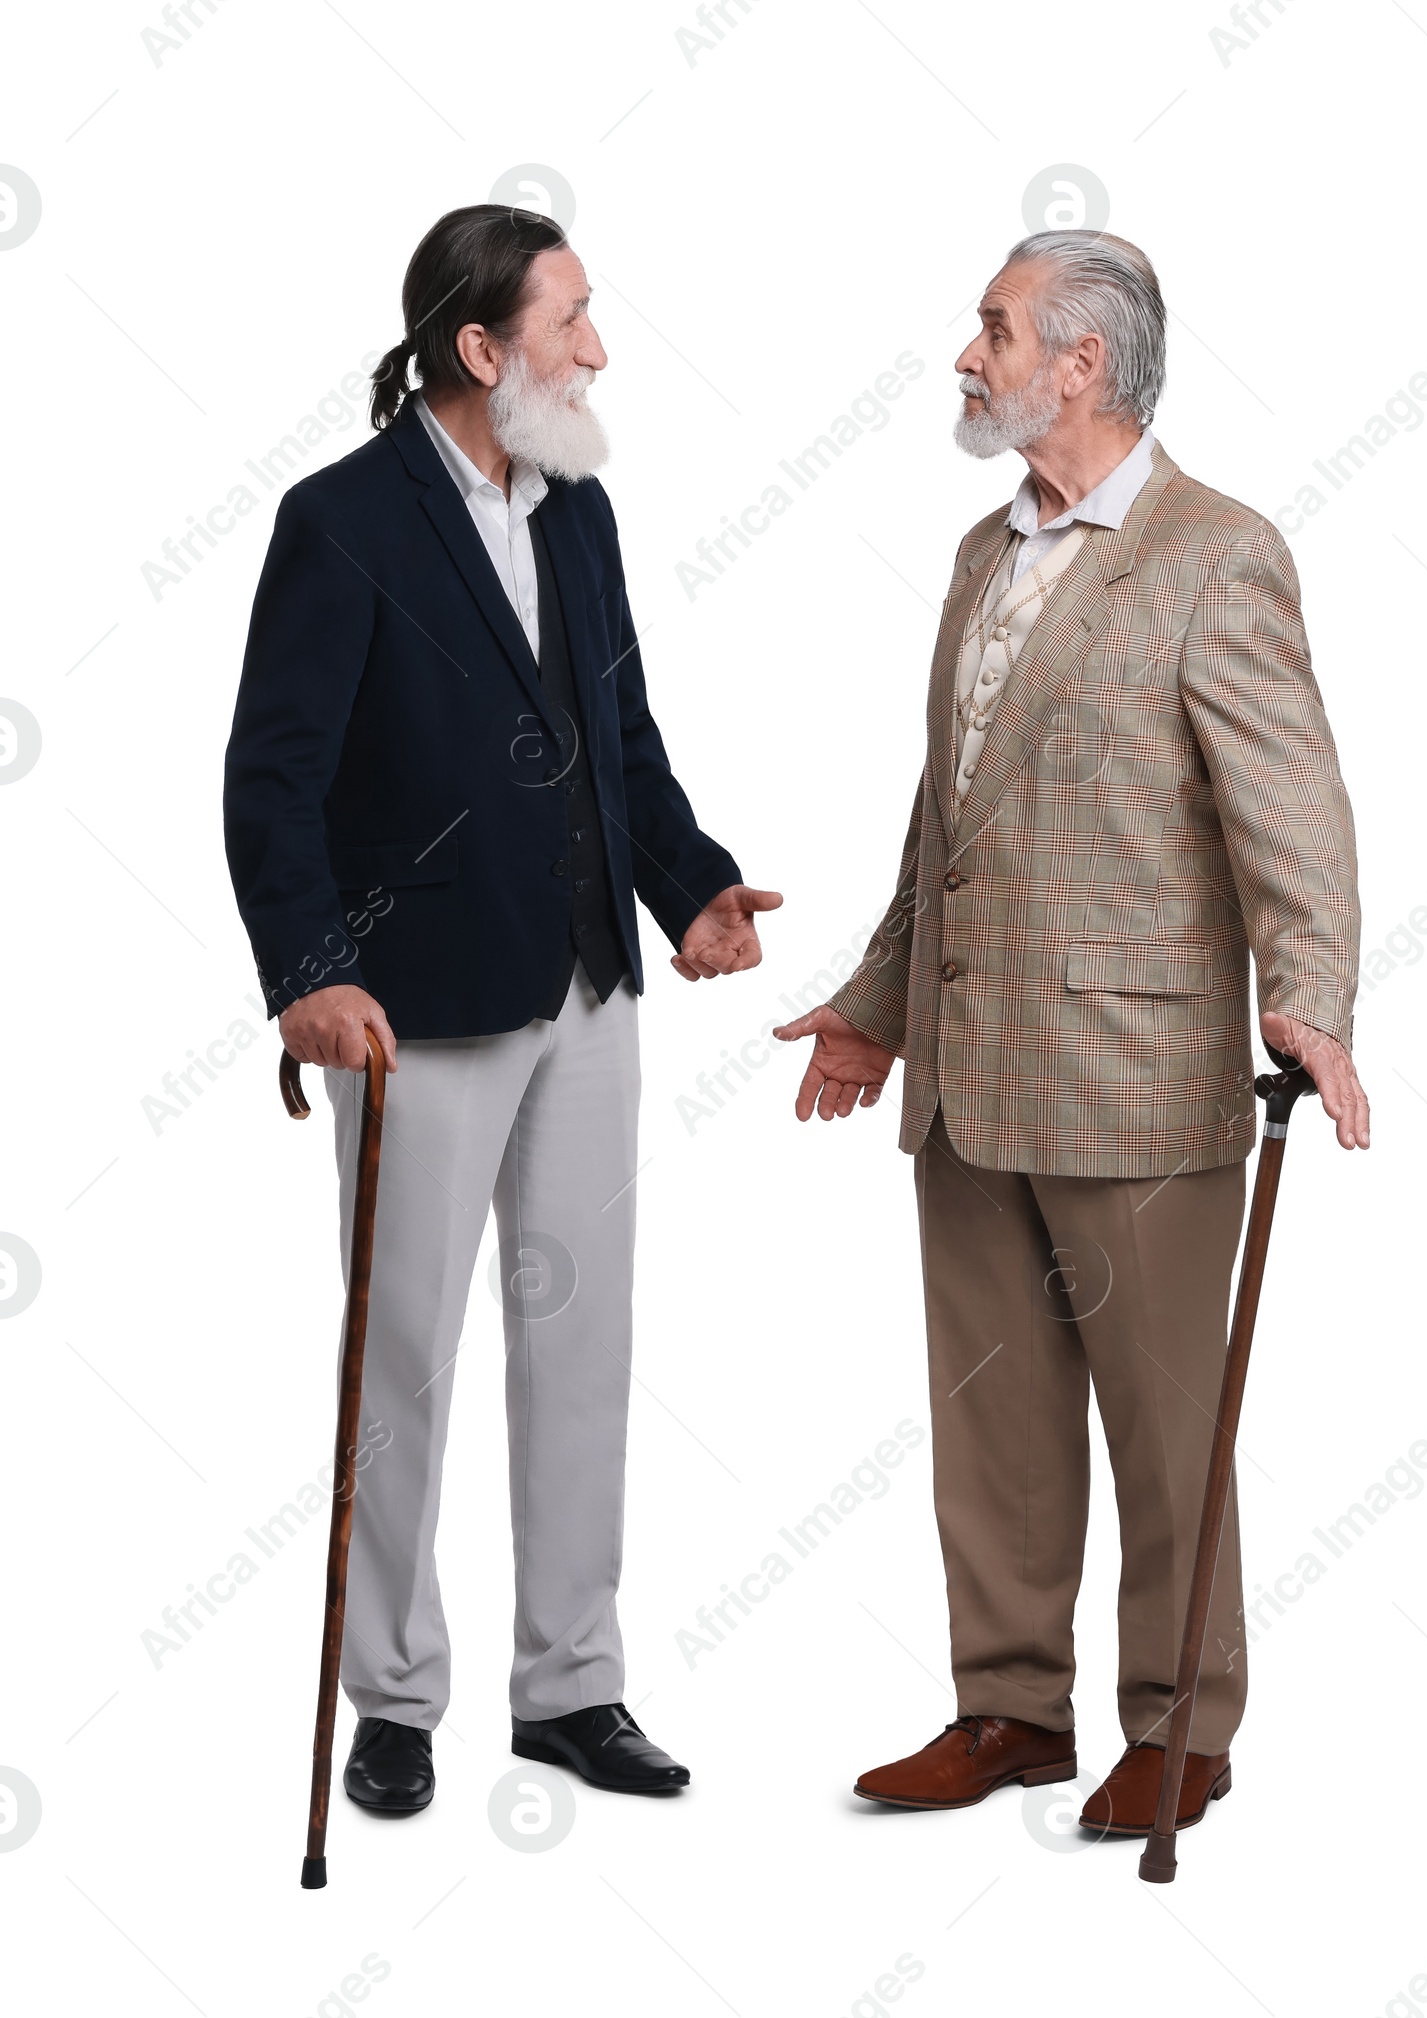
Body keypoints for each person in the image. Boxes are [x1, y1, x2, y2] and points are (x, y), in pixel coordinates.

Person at [777, 229, 1365, 1838]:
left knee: (1169, 1423)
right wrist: (875, 1011)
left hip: (1139, 1072)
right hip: (971, 1080)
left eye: (996, 328)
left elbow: (1291, 804)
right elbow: (945, 821)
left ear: (1082, 362)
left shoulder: (1214, 551)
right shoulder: (986, 549)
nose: (971, 355)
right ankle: (1008, 1709)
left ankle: (1181, 1723)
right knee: (996, 1417)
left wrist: (1307, 992)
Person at [224, 204, 779, 1814]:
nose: (598, 348)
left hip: (588, 988)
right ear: (482, 351)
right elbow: (273, 779)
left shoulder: (580, 508)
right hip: (414, 1009)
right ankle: (393, 1699)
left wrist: (693, 887)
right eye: (573, 321)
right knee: (400, 1356)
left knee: (583, 1342)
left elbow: (621, 727)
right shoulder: (340, 521)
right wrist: (310, 973)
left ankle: (573, 1684)